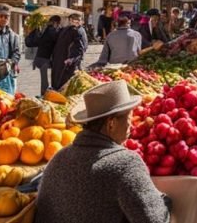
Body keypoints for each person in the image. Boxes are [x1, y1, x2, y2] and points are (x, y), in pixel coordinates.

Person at [36, 80, 172, 223]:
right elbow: (154, 219)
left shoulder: (59, 158)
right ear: (111, 123)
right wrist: (164, 201)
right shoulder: (126, 164)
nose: (130, 125)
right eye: (129, 118)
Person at [52, 13, 89, 90]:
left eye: (78, 21)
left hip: (69, 63)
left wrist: (72, 59)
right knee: (60, 83)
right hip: (61, 61)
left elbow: (80, 48)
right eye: (75, 21)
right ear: (70, 20)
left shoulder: (77, 31)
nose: (77, 23)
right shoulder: (66, 30)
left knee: (67, 85)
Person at [26, 16, 61, 96]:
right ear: (55, 22)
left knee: (45, 79)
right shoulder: (51, 30)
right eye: (58, 23)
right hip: (44, 59)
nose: (59, 25)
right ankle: (44, 95)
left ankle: (45, 94)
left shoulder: (46, 29)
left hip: (40, 58)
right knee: (45, 81)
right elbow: (56, 38)